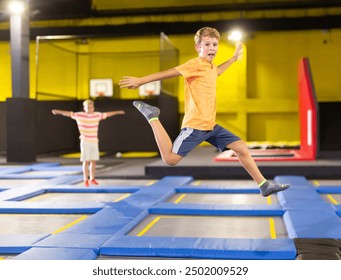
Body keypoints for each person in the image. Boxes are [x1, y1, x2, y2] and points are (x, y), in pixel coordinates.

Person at [119, 26, 290, 197]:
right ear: (198, 47)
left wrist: (233, 58)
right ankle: (152, 116)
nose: (212, 48)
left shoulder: (210, 67)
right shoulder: (195, 64)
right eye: (207, 44)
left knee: (241, 148)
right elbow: (169, 73)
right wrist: (142, 81)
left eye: (215, 44)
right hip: (196, 125)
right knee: (170, 159)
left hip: (210, 125)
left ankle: (264, 185)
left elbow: (218, 72)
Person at [52, 99, 125, 187]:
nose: (90, 109)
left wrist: (118, 112)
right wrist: (58, 111)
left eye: (91, 107)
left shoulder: (97, 115)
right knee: (86, 161)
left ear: (93, 108)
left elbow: (108, 114)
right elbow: (68, 113)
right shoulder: (79, 115)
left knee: (93, 162)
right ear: (84, 108)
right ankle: (85, 179)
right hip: (85, 141)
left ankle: (92, 178)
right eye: (88, 107)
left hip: (94, 141)